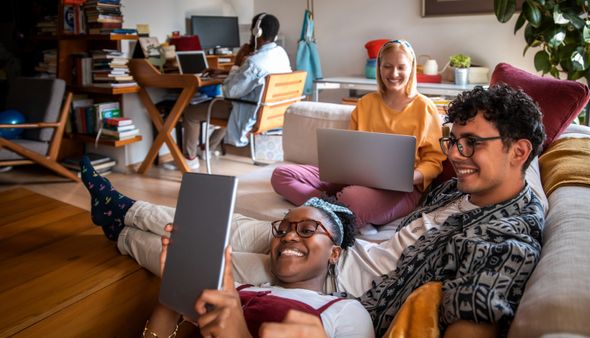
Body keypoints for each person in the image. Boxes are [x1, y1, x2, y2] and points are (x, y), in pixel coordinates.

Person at [81, 83, 546, 336]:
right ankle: (123, 207)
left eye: (471, 143)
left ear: (518, 150)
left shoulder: (504, 237)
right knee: (230, 222)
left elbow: (476, 316)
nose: (456, 154)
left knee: (197, 253)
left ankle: (119, 228)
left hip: (336, 283)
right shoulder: (468, 191)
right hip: (348, 249)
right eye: (453, 141)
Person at [138, 197, 374, 338]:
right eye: (282, 230)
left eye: (307, 230)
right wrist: (172, 293)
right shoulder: (235, 289)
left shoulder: (348, 313)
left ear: (334, 253)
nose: (289, 236)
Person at [270, 39, 445, 227]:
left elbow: (434, 161)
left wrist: (413, 177)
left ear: (411, 68)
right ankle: (334, 208)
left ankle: (335, 207)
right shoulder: (365, 103)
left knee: (352, 197)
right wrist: (342, 169)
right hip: (357, 179)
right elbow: (351, 148)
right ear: (379, 67)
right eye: (387, 66)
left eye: (401, 67)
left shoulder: (424, 107)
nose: (394, 73)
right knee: (281, 175)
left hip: (402, 190)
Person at [182, 12, 291, 169]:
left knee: (191, 113)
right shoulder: (280, 54)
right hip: (270, 112)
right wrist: (225, 72)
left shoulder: (253, 62)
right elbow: (256, 77)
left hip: (248, 111)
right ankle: (208, 149)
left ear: (256, 32)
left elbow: (230, 92)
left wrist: (237, 63)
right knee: (223, 106)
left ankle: (190, 158)